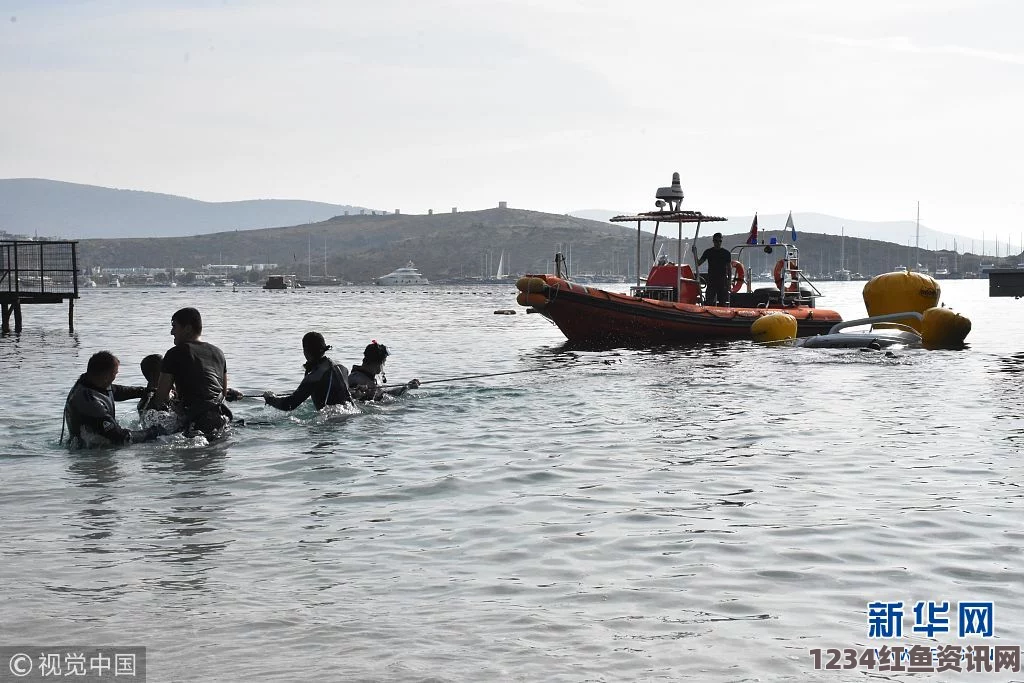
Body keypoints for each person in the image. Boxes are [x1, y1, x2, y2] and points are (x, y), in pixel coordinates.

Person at [151, 307, 242, 438]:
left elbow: (161, 397)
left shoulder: (174, 353)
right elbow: (223, 392)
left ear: (187, 328)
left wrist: (172, 401)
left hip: (196, 423)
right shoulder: (218, 352)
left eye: (174, 326)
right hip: (222, 420)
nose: (171, 332)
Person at [63, 350, 163, 448]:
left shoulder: (94, 382)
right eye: (115, 374)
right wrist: (154, 432)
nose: (116, 376)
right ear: (106, 377)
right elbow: (119, 437)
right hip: (89, 453)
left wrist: (144, 391)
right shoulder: (90, 402)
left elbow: (117, 391)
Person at [263, 332, 354, 411]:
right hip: (351, 414)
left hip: (330, 422)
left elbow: (289, 405)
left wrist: (270, 398)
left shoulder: (314, 377)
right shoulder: (343, 369)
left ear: (305, 351)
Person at [348, 340, 420, 401]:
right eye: (384, 362)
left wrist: (407, 387)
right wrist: (357, 395)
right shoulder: (355, 379)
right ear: (377, 363)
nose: (384, 365)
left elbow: (385, 393)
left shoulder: (370, 378)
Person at [696, 232, 733, 306]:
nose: (718, 243)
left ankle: (722, 315)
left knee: (722, 302)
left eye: (720, 241)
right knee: (709, 301)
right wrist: (695, 253)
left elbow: (729, 268)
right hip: (711, 280)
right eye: (716, 241)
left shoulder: (726, 253)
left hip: (722, 281)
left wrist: (729, 282)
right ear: (713, 241)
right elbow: (698, 263)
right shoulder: (708, 252)